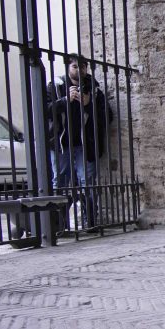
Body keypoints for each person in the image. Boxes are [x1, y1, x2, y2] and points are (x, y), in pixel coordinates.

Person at [47, 53, 110, 230]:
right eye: (75, 66)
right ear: (68, 68)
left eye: (82, 66)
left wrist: (89, 103)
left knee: (87, 181)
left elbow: (107, 116)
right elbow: (44, 110)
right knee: (60, 181)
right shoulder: (55, 87)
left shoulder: (94, 90)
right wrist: (64, 101)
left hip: (85, 145)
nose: (79, 70)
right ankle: (59, 224)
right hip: (61, 145)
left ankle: (90, 220)